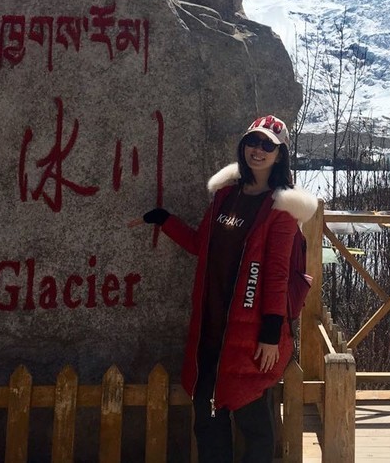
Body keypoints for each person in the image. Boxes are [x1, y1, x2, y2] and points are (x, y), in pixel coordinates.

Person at [136, 114, 317, 463]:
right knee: (207, 422)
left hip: (251, 333)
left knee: (255, 425)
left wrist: (269, 333)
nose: (258, 150)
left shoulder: (281, 209)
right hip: (211, 326)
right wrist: (163, 219)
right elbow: (199, 244)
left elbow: (277, 275)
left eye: (268, 145)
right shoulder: (224, 197)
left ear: (280, 155)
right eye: (253, 141)